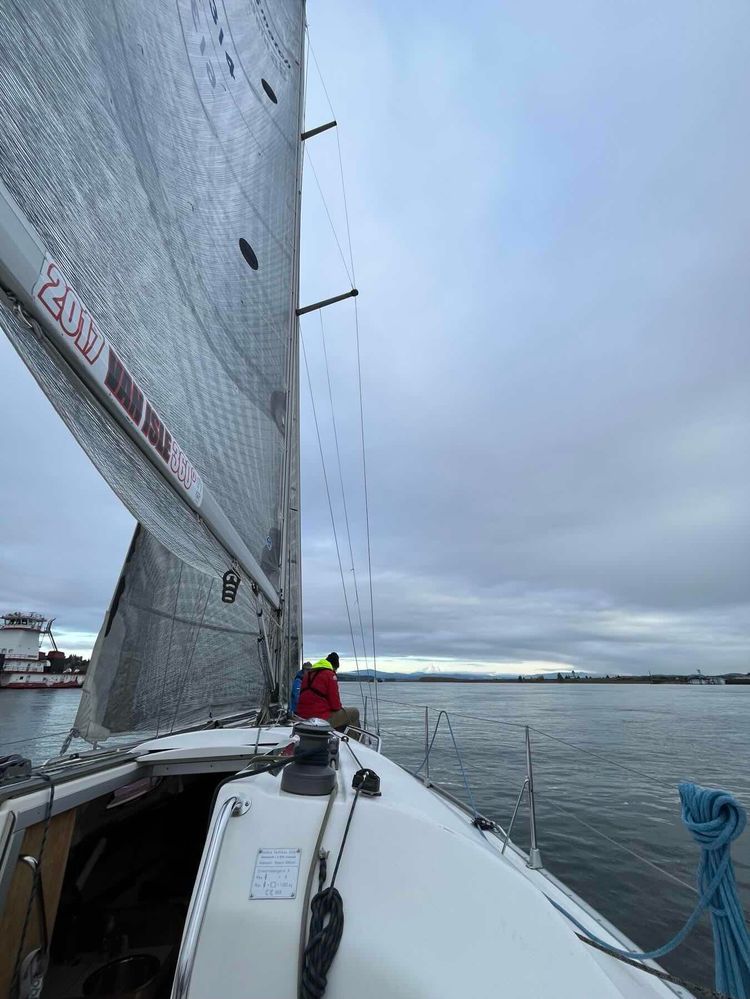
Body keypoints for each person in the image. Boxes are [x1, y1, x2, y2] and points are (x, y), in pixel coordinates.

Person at [295, 652, 361, 731]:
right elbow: (335, 706)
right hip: (320, 719)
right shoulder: (330, 675)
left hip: (302, 717)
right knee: (354, 712)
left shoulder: (308, 674)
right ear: (334, 667)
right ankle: (350, 741)